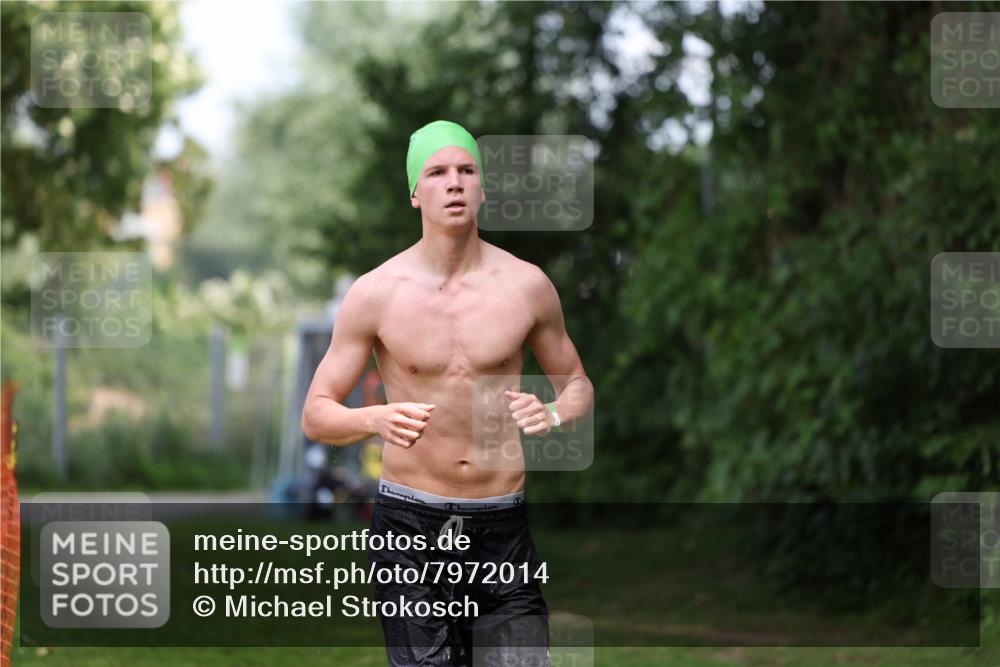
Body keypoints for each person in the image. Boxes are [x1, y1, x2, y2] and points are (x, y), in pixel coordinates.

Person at [301, 119, 594, 666]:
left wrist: (553, 412)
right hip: (410, 527)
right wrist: (375, 419)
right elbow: (316, 414)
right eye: (437, 172)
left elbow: (577, 384)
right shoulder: (376, 293)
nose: (454, 182)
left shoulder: (527, 286)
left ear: (483, 188)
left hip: (501, 527)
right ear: (415, 192)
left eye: (466, 171)